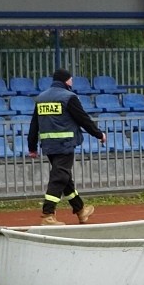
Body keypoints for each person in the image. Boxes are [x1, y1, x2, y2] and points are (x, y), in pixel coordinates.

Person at [27, 68, 105, 226]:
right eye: (71, 79)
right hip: (65, 144)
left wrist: (32, 146)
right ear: (66, 81)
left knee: (65, 179)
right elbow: (83, 119)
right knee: (59, 178)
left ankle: (80, 210)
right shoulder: (69, 97)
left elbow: (34, 124)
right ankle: (48, 214)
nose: (72, 82)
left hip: (49, 146)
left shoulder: (41, 98)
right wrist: (99, 134)